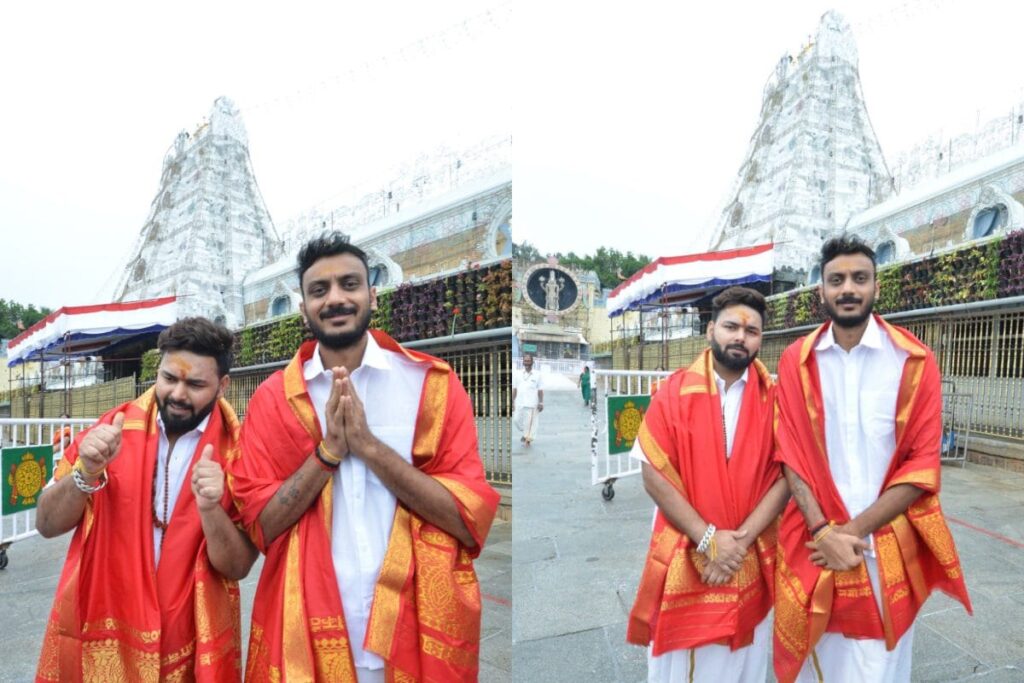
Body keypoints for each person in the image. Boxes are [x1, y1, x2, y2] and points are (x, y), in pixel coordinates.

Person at [228, 232, 499, 682]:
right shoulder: (273, 400)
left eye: (349, 284)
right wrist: (328, 453)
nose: (336, 298)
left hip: (412, 629)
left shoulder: (430, 385)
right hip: (303, 635)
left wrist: (370, 448)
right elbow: (260, 526)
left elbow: (468, 518)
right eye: (319, 289)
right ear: (304, 308)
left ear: (372, 295)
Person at [773, 236, 972, 683]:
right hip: (813, 541)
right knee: (817, 661)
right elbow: (789, 453)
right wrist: (823, 531)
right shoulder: (795, 362)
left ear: (876, 287)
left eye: (859, 278)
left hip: (883, 544)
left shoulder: (913, 361)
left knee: (878, 666)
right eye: (837, 280)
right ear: (822, 291)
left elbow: (921, 465)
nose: (848, 288)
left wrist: (849, 533)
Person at [35, 317, 257, 682]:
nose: (178, 394)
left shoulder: (240, 453)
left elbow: (237, 567)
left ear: (223, 386)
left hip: (187, 642)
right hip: (105, 630)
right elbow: (46, 524)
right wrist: (86, 473)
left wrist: (210, 509)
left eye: (195, 384)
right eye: (169, 378)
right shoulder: (111, 428)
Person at [627, 287, 789, 682]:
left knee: (745, 661)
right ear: (710, 330)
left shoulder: (777, 400)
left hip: (747, 549)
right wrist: (709, 540)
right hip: (686, 543)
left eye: (751, 331)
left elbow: (787, 476)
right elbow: (653, 474)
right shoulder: (673, 392)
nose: (741, 337)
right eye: (731, 326)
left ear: (761, 340)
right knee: (686, 662)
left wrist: (737, 544)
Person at [513, 354, 543, 445]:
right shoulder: (518, 374)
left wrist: (541, 402)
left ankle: (527, 438)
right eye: (525, 361)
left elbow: (540, 390)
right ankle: (525, 432)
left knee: (530, 423)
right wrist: (512, 401)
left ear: (532, 362)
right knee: (516, 420)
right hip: (519, 402)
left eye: (528, 361)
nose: (526, 363)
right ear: (523, 362)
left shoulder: (537, 375)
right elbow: (515, 389)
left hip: (531, 403)